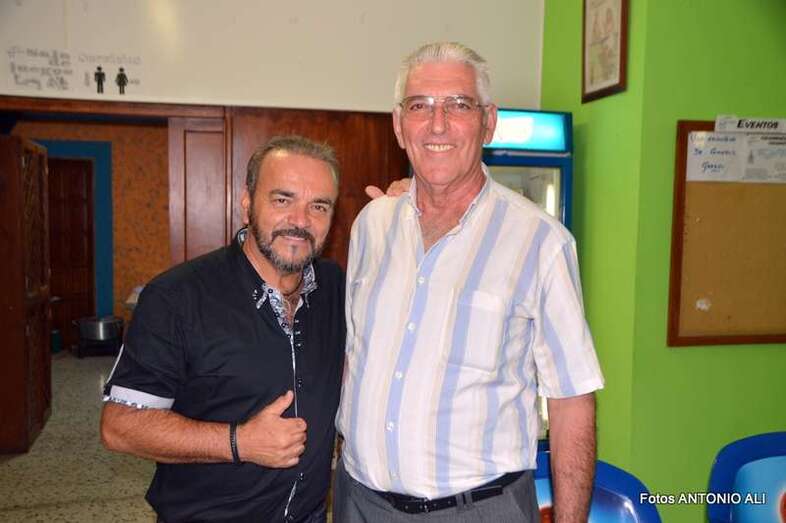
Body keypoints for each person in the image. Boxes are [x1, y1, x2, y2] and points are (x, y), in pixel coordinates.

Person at [334, 42, 604, 523]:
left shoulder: (541, 242)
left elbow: (572, 401)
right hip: (359, 502)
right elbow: (354, 357)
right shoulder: (371, 227)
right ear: (398, 125)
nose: (437, 125)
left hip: (478, 510)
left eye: (458, 105)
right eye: (420, 106)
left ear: (488, 122)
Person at [101, 135, 346, 523]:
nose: (301, 221)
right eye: (282, 200)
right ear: (246, 204)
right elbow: (121, 426)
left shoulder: (336, 288)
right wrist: (239, 442)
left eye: (318, 205)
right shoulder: (176, 297)